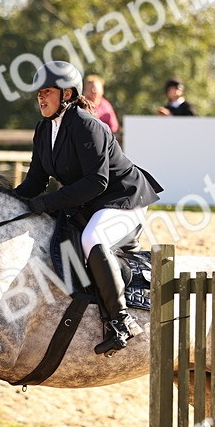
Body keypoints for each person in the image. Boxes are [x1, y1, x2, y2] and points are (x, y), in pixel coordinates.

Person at [17, 60, 164, 356]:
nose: (40, 98)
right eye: (39, 93)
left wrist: (46, 202)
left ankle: (122, 322)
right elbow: (35, 180)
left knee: (92, 239)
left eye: (47, 92)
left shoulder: (87, 125)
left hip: (123, 199)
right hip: (91, 203)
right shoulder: (44, 130)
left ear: (67, 94)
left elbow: (96, 181)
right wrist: (8, 202)